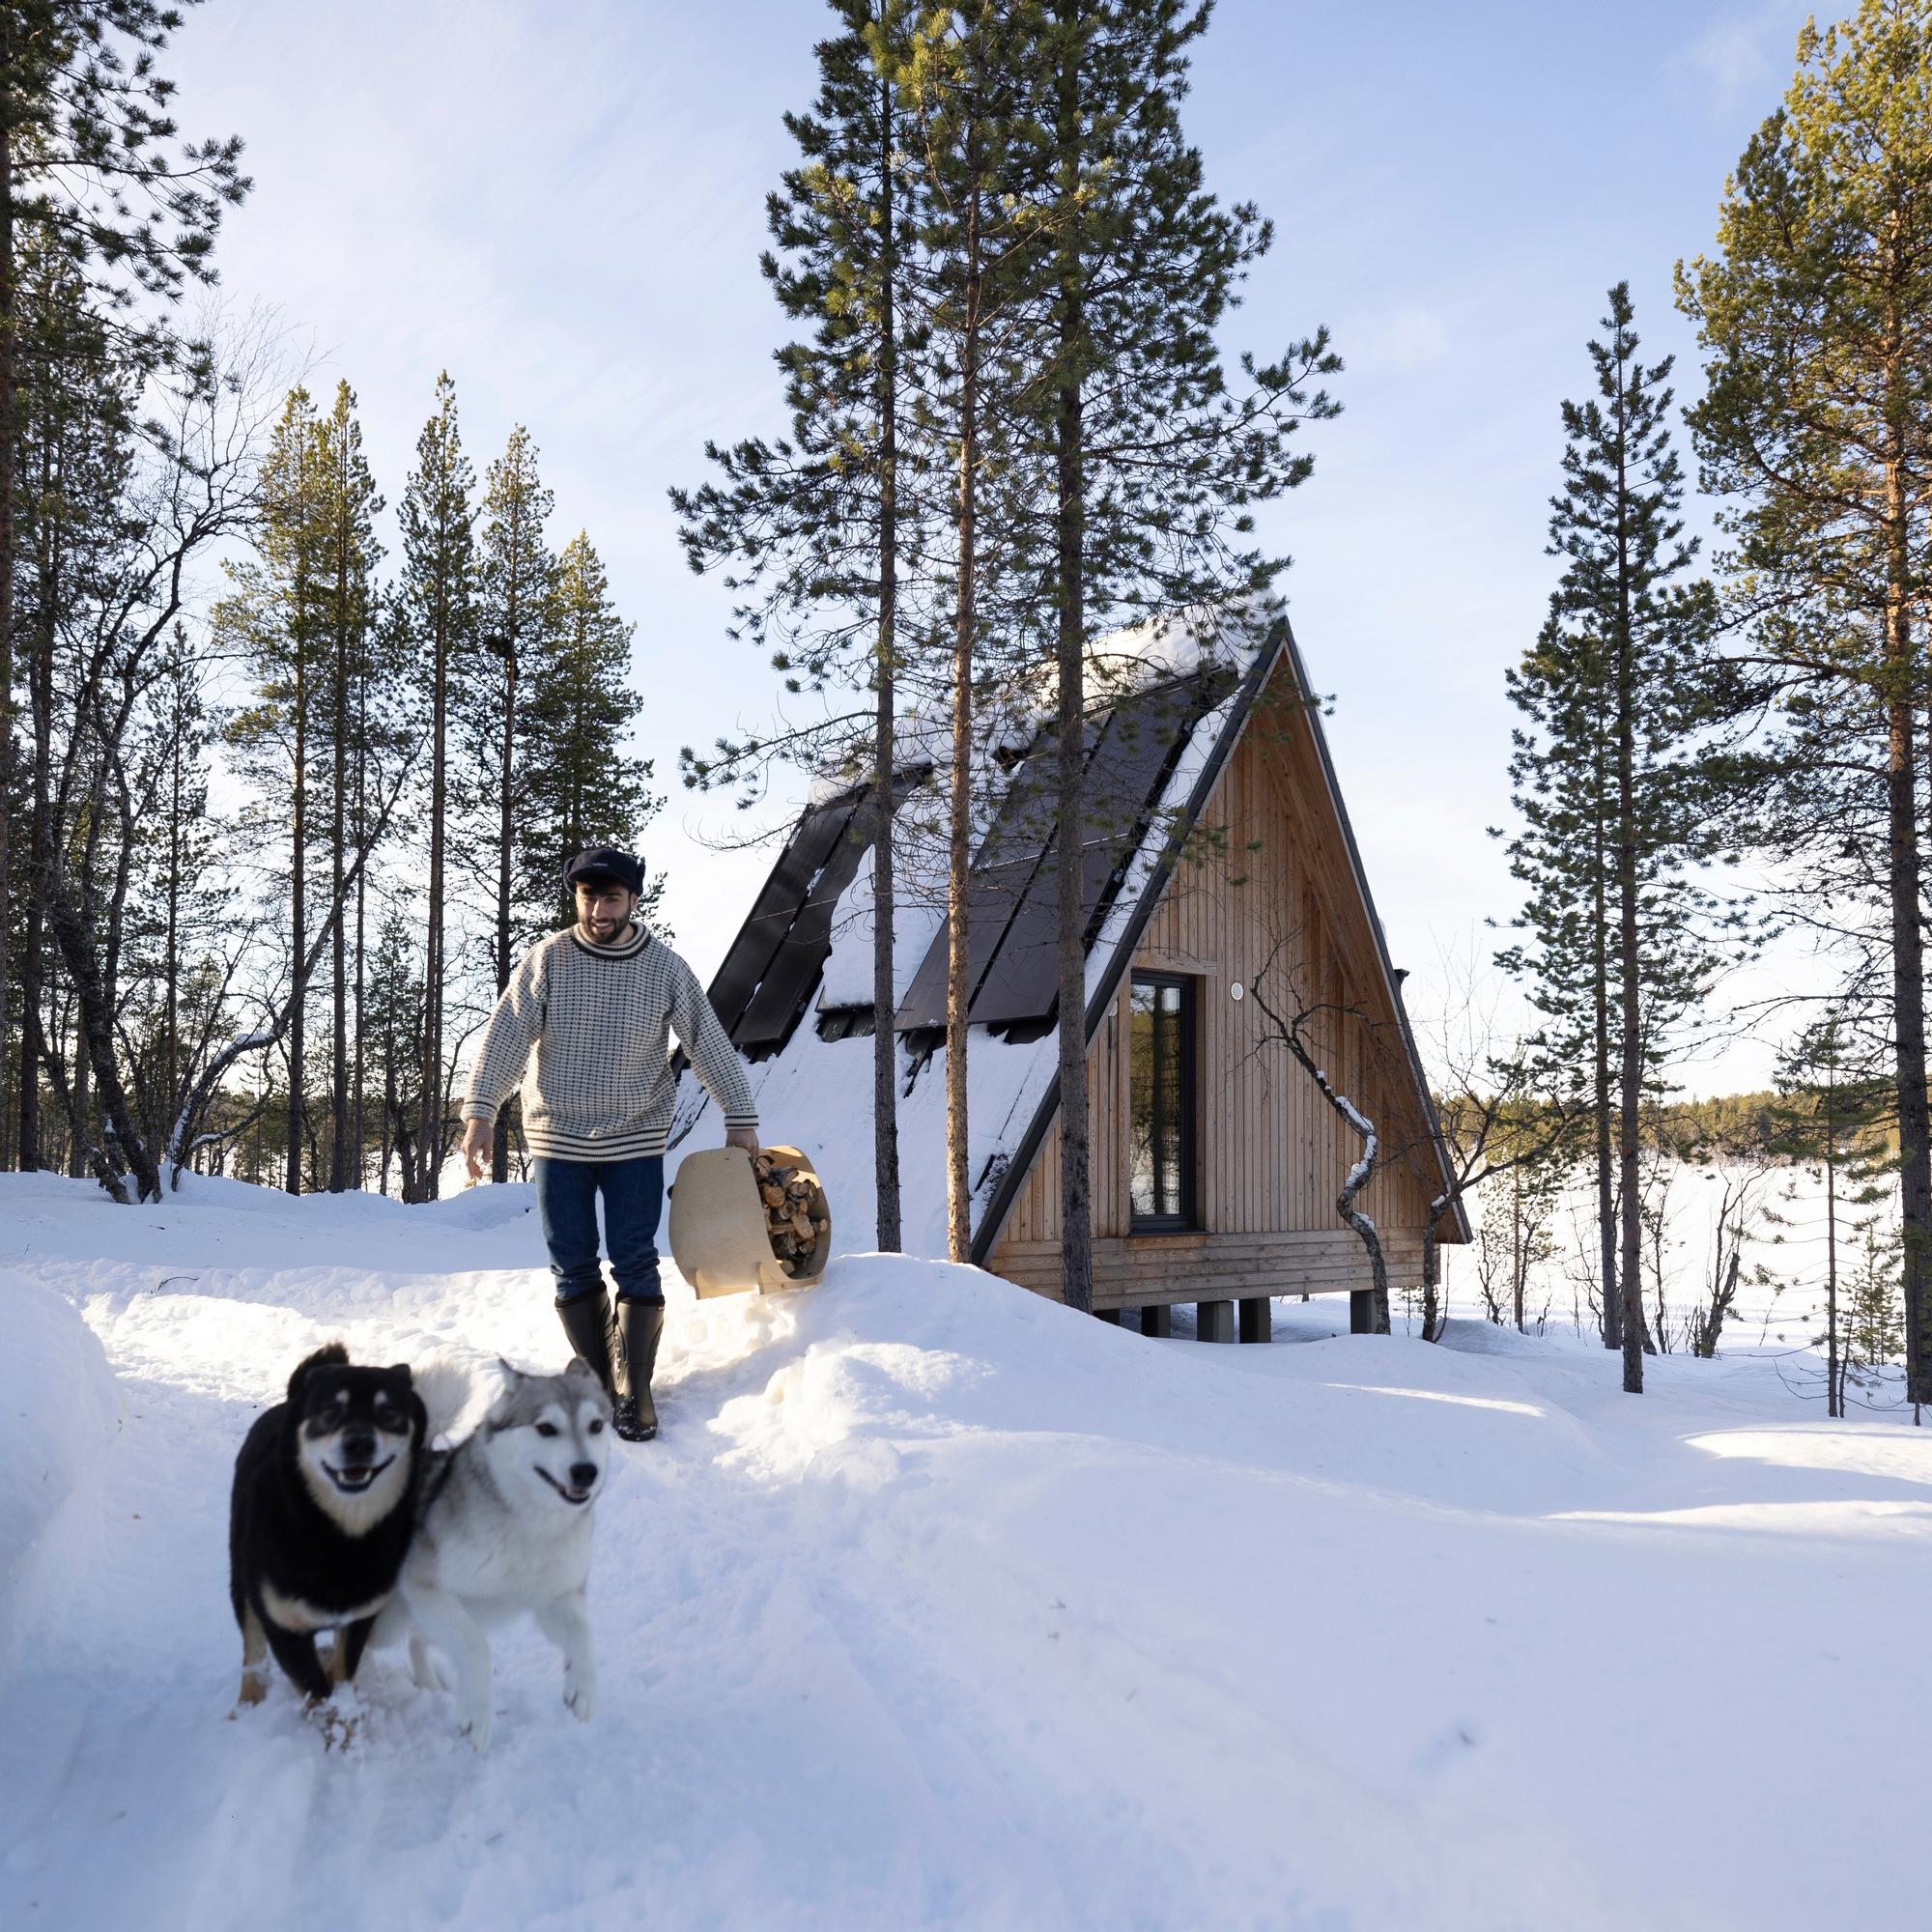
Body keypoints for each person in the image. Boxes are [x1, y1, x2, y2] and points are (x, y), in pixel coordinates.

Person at [460, 846, 760, 1441]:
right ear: (576, 897)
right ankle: (599, 1380)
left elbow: (707, 1040)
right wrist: (480, 1113)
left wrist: (740, 1113)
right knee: (571, 1262)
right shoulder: (547, 960)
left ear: (632, 900)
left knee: (634, 1256)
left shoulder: (664, 967)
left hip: (634, 1135)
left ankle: (636, 1388)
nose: (598, 909)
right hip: (557, 1134)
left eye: (611, 898)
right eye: (588, 897)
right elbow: (506, 1036)